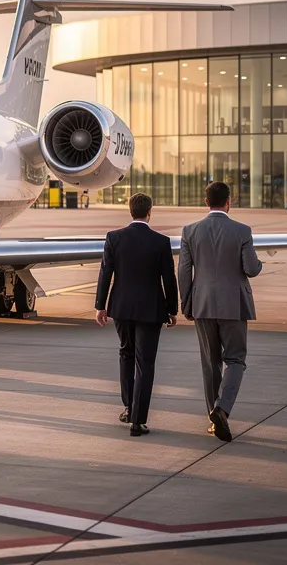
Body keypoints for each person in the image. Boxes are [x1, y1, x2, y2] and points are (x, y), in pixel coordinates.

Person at [179, 181, 263, 442]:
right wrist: (259, 263)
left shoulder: (190, 231)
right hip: (233, 305)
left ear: (206, 202)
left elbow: (184, 271)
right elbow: (251, 269)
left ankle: (213, 420)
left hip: (202, 304)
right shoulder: (242, 231)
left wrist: (187, 304)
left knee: (210, 363)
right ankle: (222, 409)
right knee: (235, 360)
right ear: (229, 202)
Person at [95, 193, 178, 437]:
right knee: (145, 363)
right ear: (149, 212)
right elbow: (168, 278)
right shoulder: (161, 242)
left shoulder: (114, 238)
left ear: (130, 211)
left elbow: (105, 272)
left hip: (121, 307)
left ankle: (129, 407)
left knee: (126, 354)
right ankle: (138, 420)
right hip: (151, 309)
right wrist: (172, 309)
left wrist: (100, 305)